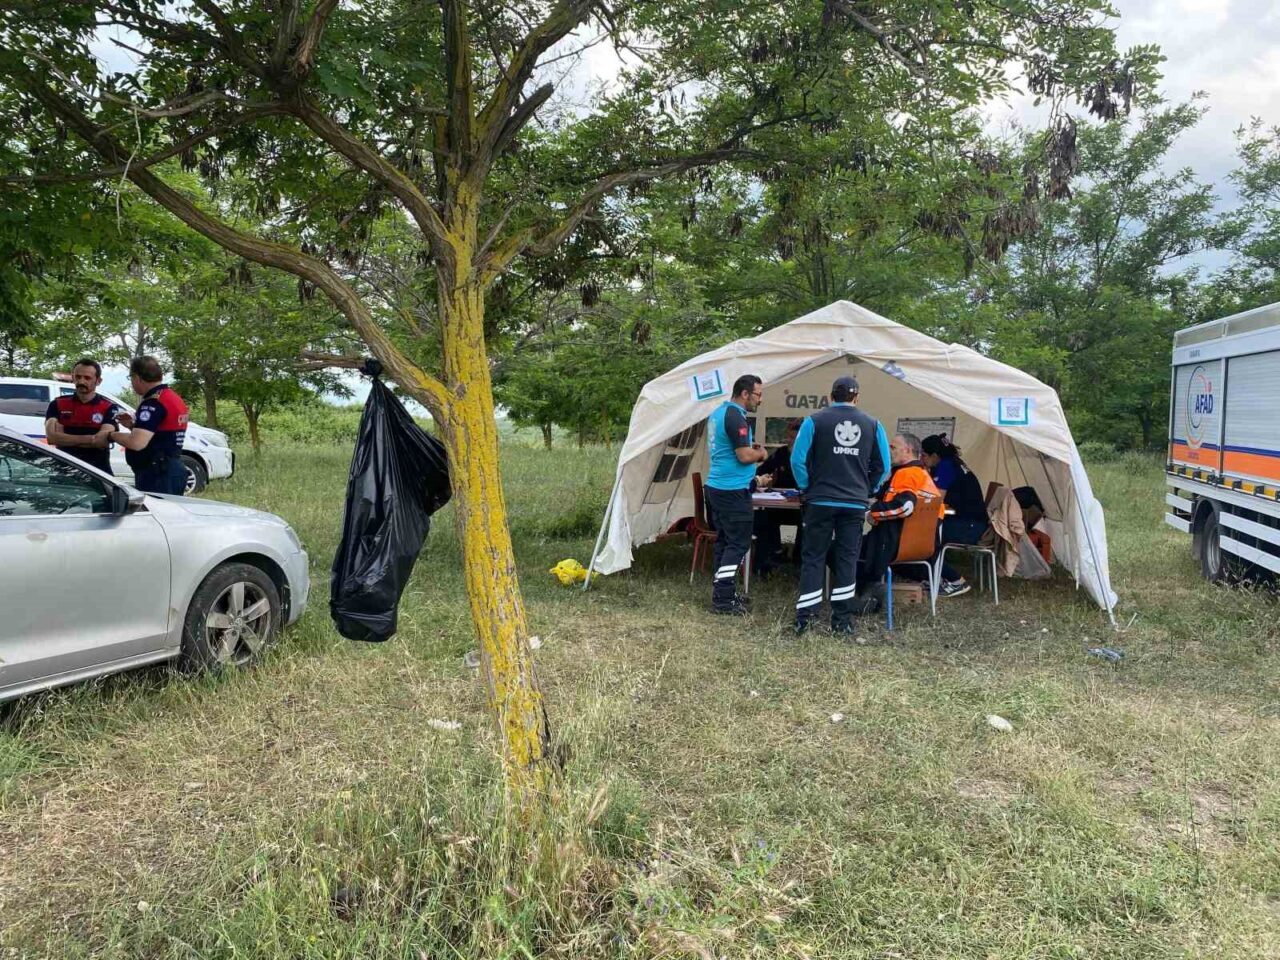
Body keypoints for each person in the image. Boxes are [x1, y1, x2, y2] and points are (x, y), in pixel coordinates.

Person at [790, 375, 889, 635]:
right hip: (854, 504)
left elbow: (797, 460)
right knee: (847, 560)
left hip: (819, 500)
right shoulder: (873, 424)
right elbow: (884, 467)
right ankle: (842, 622)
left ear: (831, 395)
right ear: (857, 398)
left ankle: (806, 620)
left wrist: (805, 487)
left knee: (813, 558)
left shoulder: (813, 420)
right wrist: (867, 490)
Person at [855, 432, 944, 608]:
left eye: (893, 447)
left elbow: (905, 507)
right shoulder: (921, 473)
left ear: (908, 450)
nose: (889, 451)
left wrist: (870, 514)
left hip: (895, 545)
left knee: (838, 549)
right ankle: (870, 589)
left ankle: (867, 592)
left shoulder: (907, 473)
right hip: (923, 547)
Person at [703, 374, 768, 615]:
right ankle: (723, 601)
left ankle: (723, 593)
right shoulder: (735, 417)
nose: (759, 400)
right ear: (745, 393)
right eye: (758, 394)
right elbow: (743, 456)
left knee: (724, 542)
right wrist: (761, 454)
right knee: (738, 544)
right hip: (731, 491)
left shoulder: (719, 413)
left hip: (718, 488)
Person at [109, 356, 191, 495]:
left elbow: (137, 443)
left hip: (157, 473)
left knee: (157, 514)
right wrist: (132, 426)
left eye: (131, 378)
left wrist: (111, 435)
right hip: (171, 467)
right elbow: (161, 433)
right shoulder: (172, 397)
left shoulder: (153, 403)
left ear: (137, 377)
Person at [920, 434, 986, 598]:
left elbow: (936, 499)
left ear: (934, 456)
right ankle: (936, 577)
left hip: (969, 526)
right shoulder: (953, 462)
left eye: (923, 455)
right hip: (972, 522)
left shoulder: (946, 466)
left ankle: (955, 581)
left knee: (926, 539)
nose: (921, 458)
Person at [44, 358, 119, 474]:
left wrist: (65, 438)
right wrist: (91, 439)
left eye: (87, 378)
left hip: (98, 472)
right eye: (78, 377)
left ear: (98, 381)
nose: (81, 381)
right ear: (73, 378)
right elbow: (52, 438)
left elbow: (102, 441)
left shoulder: (109, 407)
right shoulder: (57, 404)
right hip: (63, 471)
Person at [752, 418, 802, 576]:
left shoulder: (813, 456)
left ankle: (798, 562)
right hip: (780, 505)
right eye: (789, 437)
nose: (790, 441)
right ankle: (768, 559)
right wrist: (762, 480)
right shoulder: (781, 453)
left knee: (809, 523)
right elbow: (760, 471)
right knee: (763, 518)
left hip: (801, 507)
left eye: (794, 438)